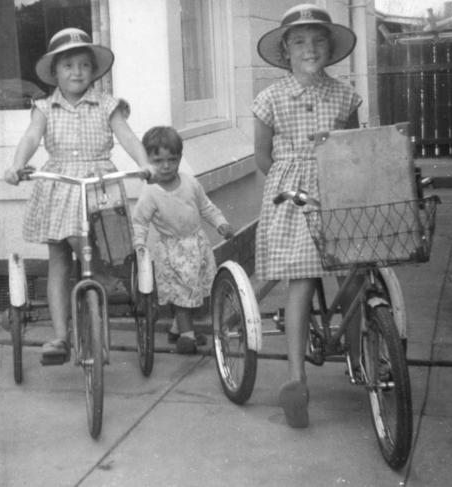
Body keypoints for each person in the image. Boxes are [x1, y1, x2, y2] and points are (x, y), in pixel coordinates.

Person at [3, 28, 152, 363]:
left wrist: (144, 164)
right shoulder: (44, 107)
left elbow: (127, 137)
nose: (77, 72)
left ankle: (101, 279)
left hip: (99, 184)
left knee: (97, 249)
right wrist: (17, 165)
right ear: (55, 72)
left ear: (94, 71)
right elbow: (30, 138)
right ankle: (59, 336)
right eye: (68, 65)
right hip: (60, 185)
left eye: (84, 65)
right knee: (59, 258)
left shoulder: (107, 105)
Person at [252, 4, 361, 428]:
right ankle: (296, 378)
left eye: (318, 40)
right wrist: (291, 184)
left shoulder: (344, 94)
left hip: (338, 188)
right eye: (299, 41)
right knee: (300, 278)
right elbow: (263, 157)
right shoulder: (271, 98)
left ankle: (359, 356)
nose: (309, 48)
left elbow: (353, 144)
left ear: (330, 48)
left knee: (353, 270)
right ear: (285, 51)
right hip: (291, 195)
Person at [131, 126, 234, 354]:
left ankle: (178, 327)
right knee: (181, 292)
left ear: (179, 158)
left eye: (172, 159)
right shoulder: (151, 192)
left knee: (194, 291)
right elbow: (140, 220)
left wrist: (220, 223)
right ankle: (187, 336)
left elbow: (205, 206)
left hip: (196, 244)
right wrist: (139, 244)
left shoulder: (189, 182)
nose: (166, 166)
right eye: (158, 161)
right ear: (147, 161)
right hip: (172, 249)